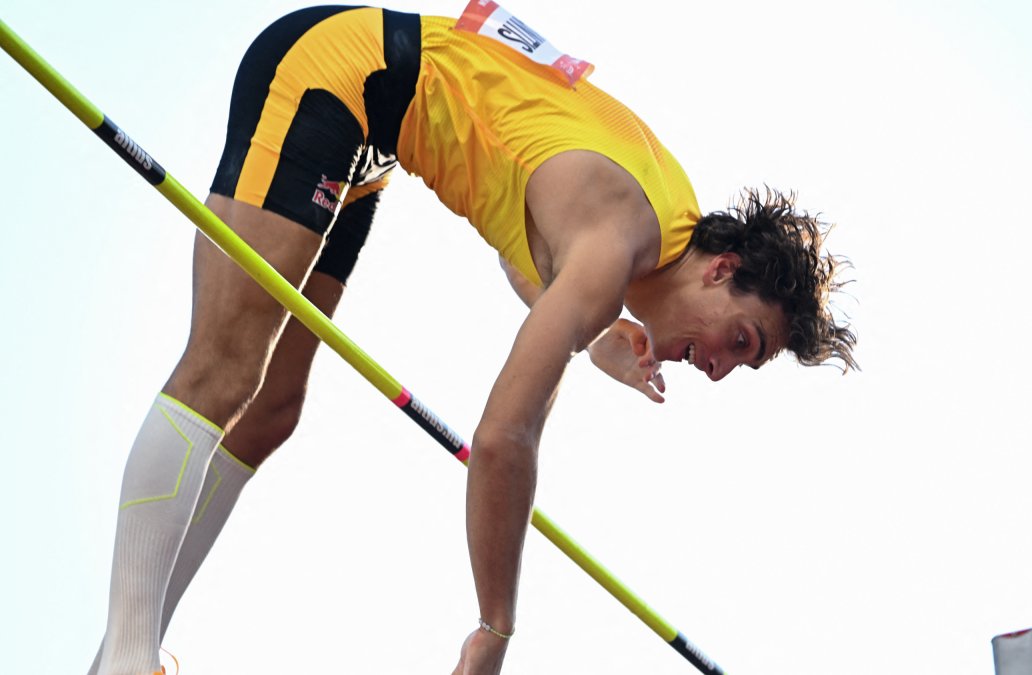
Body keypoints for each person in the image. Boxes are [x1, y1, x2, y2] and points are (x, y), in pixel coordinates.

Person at [89, 4, 857, 674]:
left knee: (272, 408)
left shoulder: (656, 220)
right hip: (336, 75)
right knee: (225, 370)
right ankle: (127, 660)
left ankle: (124, 649)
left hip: (374, 137)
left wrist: (593, 342)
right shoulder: (622, 236)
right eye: (743, 342)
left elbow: (519, 221)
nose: (720, 371)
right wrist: (495, 626)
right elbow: (502, 438)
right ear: (723, 272)